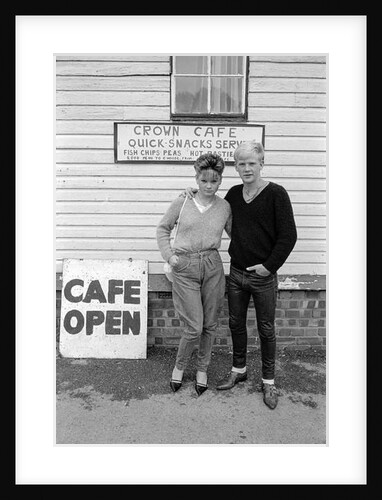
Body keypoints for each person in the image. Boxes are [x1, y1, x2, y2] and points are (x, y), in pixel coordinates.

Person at [185, 141, 297, 409]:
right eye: (241, 163)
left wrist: (269, 266)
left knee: (266, 329)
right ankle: (239, 369)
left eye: (252, 163)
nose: (247, 168)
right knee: (236, 324)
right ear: (236, 167)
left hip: (263, 276)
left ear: (261, 163)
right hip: (235, 274)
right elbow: (209, 202)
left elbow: (288, 236)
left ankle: (268, 381)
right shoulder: (234, 194)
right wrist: (189, 194)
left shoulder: (276, 194)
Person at [156, 153, 232, 396]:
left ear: (220, 180)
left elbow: (239, 235)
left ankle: (202, 369)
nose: (209, 186)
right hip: (185, 267)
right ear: (196, 179)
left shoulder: (224, 207)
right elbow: (163, 229)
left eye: (214, 181)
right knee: (194, 327)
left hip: (212, 266)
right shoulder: (183, 201)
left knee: (210, 324)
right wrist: (170, 256)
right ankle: (179, 367)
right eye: (204, 181)